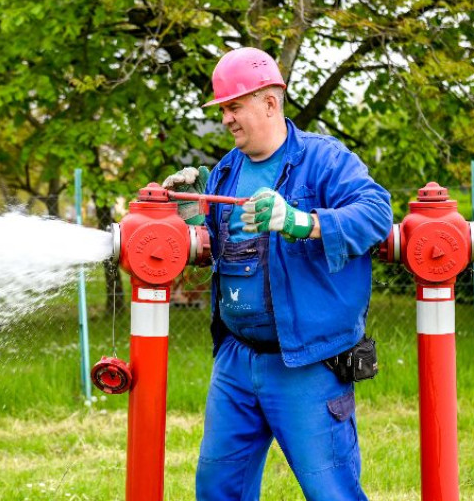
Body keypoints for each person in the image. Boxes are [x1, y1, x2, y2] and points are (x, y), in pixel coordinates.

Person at [162, 47, 393, 501]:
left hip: (307, 362)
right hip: (235, 359)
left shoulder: (325, 159)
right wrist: (192, 216)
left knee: (331, 492)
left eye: (233, 106)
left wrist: (301, 221)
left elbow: (376, 214)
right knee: (217, 489)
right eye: (222, 109)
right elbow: (218, 251)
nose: (226, 119)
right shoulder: (226, 171)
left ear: (270, 102)